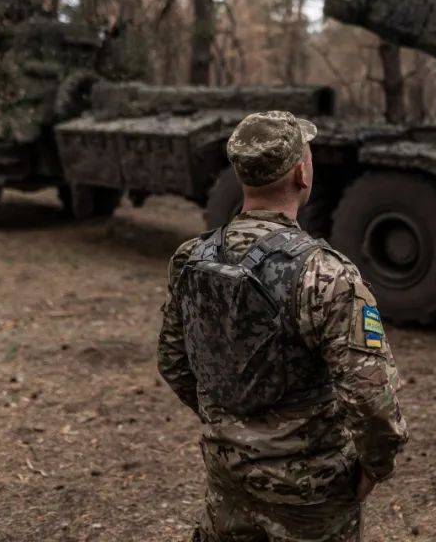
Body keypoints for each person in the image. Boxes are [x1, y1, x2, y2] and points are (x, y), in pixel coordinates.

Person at [158, 110, 408, 542]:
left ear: (243, 176)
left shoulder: (192, 258)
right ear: (300, 174)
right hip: (310, 493)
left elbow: (173, 361)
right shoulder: (326, 274)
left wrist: (230, 428)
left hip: (227, 476)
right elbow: (370, 395)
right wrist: (375, 466)